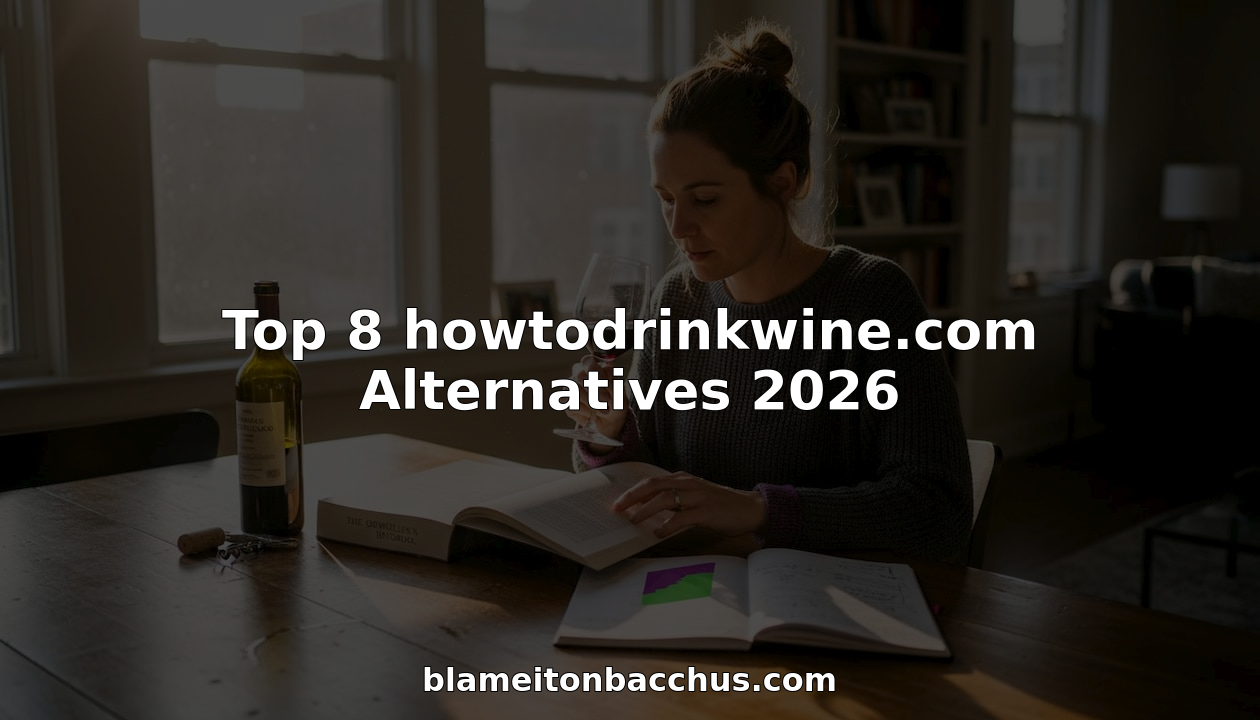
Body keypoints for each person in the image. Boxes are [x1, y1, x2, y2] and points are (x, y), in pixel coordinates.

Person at [566, 21, 972, 563]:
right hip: (695, 596)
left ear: (782, 182)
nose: (677, 226)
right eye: (666, 198)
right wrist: (610, 432)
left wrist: (757, 509)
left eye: (705, 199)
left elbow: (938, 511)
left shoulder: (872, 298)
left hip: (832, 612)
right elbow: (646, 490)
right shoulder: (676, 301)